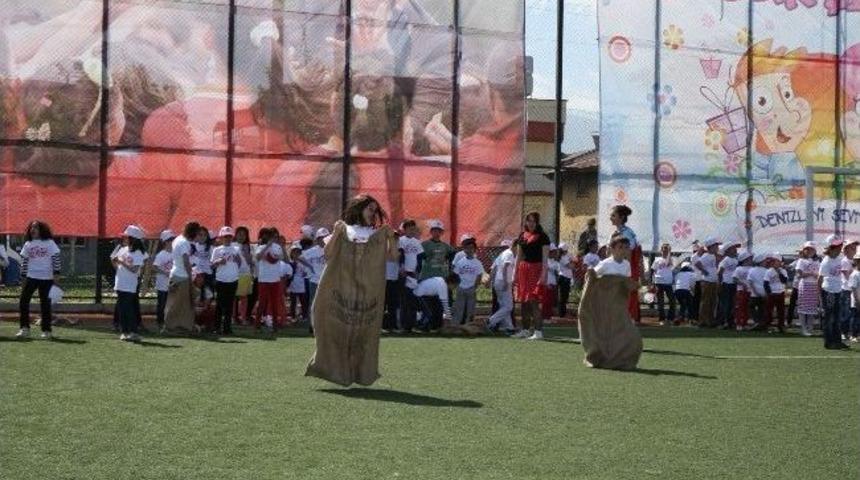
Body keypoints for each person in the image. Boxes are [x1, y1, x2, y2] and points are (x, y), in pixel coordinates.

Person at [305, 194, 398, 387]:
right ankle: (332, 370)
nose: (373, 213)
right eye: (369, 209)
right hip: (341, 286)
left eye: (375, 210)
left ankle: (359, 373)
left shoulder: (376, 233)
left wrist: (391, 238)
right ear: (359, 208)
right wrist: (336, 233)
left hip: (367, 291)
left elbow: (393, 257)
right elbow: (328, 254)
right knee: (334, 326)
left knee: (362, 332)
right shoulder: (344, 229)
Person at [579, 234, 642, 370]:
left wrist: (634, 286)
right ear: (612, 249)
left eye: (626, 247)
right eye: (620, 247)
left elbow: (625, 282)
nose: (623, 250)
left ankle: (623, 359)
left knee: (627, 331)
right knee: (605, 331)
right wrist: (591, 273)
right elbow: (593, 277)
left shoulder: (626, 265)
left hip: (619, 304)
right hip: (605, 304)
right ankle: (602, 357)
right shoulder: (606, 263)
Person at [16, 220, 61, 339]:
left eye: (36, 227)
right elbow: (24, 262)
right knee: (23, 302)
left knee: (45, 304)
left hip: (47, 278)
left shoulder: (50, 243)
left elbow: (56, 260)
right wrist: (23, 278)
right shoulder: (28, 244)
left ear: (42, 230)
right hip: (31, 277)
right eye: (31, 227)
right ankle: (24, 329)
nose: (33, 229)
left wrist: (56, 276)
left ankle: (46, 331)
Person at [513, 212, 551, 340]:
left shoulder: (543, 237)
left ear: (537, 222)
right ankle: (525, 330)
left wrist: (543, 275)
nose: (531, 223)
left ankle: (538, 332)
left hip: (536, 269)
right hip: (523, 269)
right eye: (528, 220)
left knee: (533, 301)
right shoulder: (522, 236)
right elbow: (518, 257)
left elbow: (545, 259)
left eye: (533, 221)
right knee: (524, 302)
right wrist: (514, 274)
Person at [113, 225, 147, 342]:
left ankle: (133, 332)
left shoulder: (138, 252)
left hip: (130, 285)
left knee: (129, 309)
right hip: (120, 283)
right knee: (122, 309)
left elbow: (134, 269)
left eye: (127, 237)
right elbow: (117, 266)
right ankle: (124, 332)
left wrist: (121, 262)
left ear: (133, 239)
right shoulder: (123, 249)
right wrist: (115, 261)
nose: (124, 238)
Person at [609, 205, 643, 323]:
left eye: (613, 215)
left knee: (628, 293)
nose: (611, 217)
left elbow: (629, 253)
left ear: (621, 217)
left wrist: (626, 271)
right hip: (618, 267)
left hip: (626, 268)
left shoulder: (627, 233)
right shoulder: (616, 233)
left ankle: (630, 319)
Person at [165, 222, 200, 332]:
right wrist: (190, 277)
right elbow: (186, 261)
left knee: (174, 303)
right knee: (184, 304)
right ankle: (181, 326)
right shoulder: (184, 243)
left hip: (175, 274)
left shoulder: (177, 239)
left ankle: (172, 325)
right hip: (182, 276)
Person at [210, 227, 241, 335]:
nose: (228, 238)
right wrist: (218, 261)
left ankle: (227, 328)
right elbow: (212, 266)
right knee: (219, 305)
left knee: (229, 305)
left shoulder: (236, 249)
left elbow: (239, 264)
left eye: (229, 236)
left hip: (233, 279)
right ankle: (217, 327)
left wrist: (238, 260)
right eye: (225, 236)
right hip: (221, 280)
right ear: (221, 238)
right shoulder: (217, 250)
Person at [820, 235, 849, 349]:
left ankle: (837, 341)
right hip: (828, 292)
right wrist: (820, 296)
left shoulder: (839, 259)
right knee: (829, 318)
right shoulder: (826, 262)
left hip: (838, 291)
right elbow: (820, 279)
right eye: (838, 246)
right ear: (831, 248)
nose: (840, 248)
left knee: (837, 317)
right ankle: (829, 342)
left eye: (840, 246)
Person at [255, 227, 285, 332]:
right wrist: (267, 246)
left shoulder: (277, 247)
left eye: (274, 236)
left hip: (275, 279)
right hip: (263, 279)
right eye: (270, 236)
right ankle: (257, 325)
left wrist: (277, 249)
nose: (272, 238)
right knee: (262, 302)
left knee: (274, 303)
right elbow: (258, 257)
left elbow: (281, 258)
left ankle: (275, 326)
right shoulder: (261, 247)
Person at [451, 237, 486, 327]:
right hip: (461, 288)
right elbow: (456, 274)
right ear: (464, 249)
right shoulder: (460, 262)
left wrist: (475, 287)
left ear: (474, 250)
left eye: (471, 248)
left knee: (470, 309)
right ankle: (456, 326)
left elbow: (479, 275)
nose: (469, 250)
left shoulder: (477, 263)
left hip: (471, 288)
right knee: (459, 308)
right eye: (467, 248)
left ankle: (468, 326)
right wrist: (457, 286)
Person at [398, 220, 424, 333]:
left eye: (413, 229)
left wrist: (418, 271)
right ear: (404, 230)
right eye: (409, 229)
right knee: (404, 300)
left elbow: (420, 258)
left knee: (413, 299)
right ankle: (404, 325)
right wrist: (401, 267)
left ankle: (411, 325)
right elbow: (400, 255)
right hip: (404, 273)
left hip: (413, 274)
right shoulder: (401, 240)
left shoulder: (417, 242)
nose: (411, 231)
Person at [488, 239, 516, 333]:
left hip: (497, 281)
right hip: (504, 281)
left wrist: (490, 281)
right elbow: (505, 267)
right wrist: (506, 281)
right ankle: (491, 321)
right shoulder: (510, 254)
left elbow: (494, 268)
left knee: (504, 306)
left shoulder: (502, 254)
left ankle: (510, 328)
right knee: (508, 307)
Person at [303, 227, 329, 327]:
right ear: (317, 239)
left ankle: (323, 323)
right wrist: (310, 266)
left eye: (325, 237)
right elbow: (300, 257)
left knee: (326, 302)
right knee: (313, 302)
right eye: (321, 238)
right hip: (314, 280)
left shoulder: (332, 249)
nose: (323, 240)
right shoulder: (313, 250)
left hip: (327, 280)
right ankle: (312, 324)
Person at [795, 241, 820, 337]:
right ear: (804, 250)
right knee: (803, 307)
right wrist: (811, 273)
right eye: (807, 249)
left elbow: (819, 274)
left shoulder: (817, 261)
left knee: (812, 308)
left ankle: (810, 328)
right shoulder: (801, 261)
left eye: (812, 249)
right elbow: (799, 274)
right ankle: (803, 328)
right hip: (805, 285)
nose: (810, 251)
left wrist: (815, 275)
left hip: (814, 285)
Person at [153, 229, 176, 334]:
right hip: (162, 284)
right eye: (170, 240)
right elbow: (155, 267)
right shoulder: (161, 254)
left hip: (173, 284)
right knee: (162, 304)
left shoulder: (175, 253)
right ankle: (160, 323)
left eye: (173, 239)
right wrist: (165, 273)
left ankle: (170, 323)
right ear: (165, 242)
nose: (172, 241)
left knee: (171, 304)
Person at [696, 238, 721, 328]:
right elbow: (697, 263)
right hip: (707, 281)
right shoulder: (706, 256)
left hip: (713, 281)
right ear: (711, 247)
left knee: (713, 301)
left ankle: (710, 320)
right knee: (706, 301)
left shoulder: (713, 256)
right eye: (716, 246)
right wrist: (704, 271)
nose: (717, 247)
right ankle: (703, 320)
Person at [716, 242, 741, 329]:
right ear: (727, 250)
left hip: (733, 284)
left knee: (732, 304)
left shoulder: (736, 260)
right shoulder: (726, 260)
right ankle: (723, 321)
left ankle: (730, 321)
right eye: (733, 248)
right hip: (726, 283)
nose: (735, 250)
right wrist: (719, 283)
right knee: (725, 303)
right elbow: (720, 272)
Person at [233, 226, 254, 326]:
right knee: (234, 298)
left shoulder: (249, 247)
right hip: (234, 274)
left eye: (244, 235)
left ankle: (243, 318)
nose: (241, 236)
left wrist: (246, 252)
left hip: (245, 274)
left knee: (244, 297)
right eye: (239, 234)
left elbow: (250, 262)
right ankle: (234, 318)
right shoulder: (232, 245)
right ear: (236, 235)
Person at [651, 242, 675, 326]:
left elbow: (668, 263)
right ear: (661, 250)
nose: (665, 250)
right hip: (659, 282)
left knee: (672, 301)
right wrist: (652, 282)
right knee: (660, 302)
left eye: (667, 249)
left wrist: (669, 253)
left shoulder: (671, 259)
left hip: (668, 283)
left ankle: (670, 318)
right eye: (664, 248)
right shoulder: (657, 260)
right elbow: (653, 271)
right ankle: (662, 319)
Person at [765, 253, 789, 333]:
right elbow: (766, 283)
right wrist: (769, 293)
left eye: (775, 261)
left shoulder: (783, 271)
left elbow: (784, 281)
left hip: (780, 292)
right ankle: (768, 325)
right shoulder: (769, 271)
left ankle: (781, 326)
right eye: (773, 261)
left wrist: (779, 272)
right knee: (769, 310)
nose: (773, 263)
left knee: (781, 311)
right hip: (772, 293)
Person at [841, 240, 859, 342]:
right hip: (846, 290)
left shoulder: (855, 261)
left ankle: (852, 333)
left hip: (854, 290)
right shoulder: (844, 261)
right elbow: (847, 276)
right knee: (846, 312)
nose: (854, 249)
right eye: (852, 247)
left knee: (853, 312)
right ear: (846, 249)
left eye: (855, 247)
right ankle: (843, 333)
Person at [747, 254, 769, 331]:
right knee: (762, 308)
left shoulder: (752, 270)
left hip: (754, 293)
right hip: (764, 292)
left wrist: (754, 291)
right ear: (761, 262)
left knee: (751, 307)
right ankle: (761, 323)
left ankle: (757, 321)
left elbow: (750, 282)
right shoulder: (766, 271)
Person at [732, 252, 753, 331]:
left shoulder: (752, 268)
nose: (751, 260)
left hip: (750, 290)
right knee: (740, 307)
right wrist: (742, 284)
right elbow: (734, 279)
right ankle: (739, 323)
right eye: (750, 258)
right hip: (741, 290)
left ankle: (745, 323)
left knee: (747, 307)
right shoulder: (739, 269)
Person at [288, 243, 309, 324]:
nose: (296, 254)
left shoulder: (303, 262)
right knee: (293, 301)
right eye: (294, 252)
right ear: (291, 253)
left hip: (301, 283)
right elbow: (289, 274)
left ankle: (304, 316)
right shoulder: (290, 262)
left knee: (303, 301)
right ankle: (293, 316)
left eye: (298, 252)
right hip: (293, 284)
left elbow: (306, 272)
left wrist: (304, 272)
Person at [542, 244, 560, 320]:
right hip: (546, 283)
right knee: (546, 301)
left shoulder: (556, 263)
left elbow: (558, 271)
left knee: (550, 301)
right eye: (553, 252)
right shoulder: (545, 261)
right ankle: (545, 317)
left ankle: (548, 317)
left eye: (555, 252)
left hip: (553, 283)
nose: (555, 253)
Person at [556, 242, 574, 317]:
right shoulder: (563, 258)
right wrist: (572, 261)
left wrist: (571, 259)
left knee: (564, 296)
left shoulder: (565, 256)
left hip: (566, 278)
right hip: (564, 278)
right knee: (563, 297)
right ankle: (562, 313)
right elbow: (571, 266)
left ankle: (562, 312)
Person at [848, 253, 860, 343]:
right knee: (855, 318)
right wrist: (857, 300)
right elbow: (853, 288)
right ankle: (853, 335)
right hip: (857, 300)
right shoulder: (854, 274)